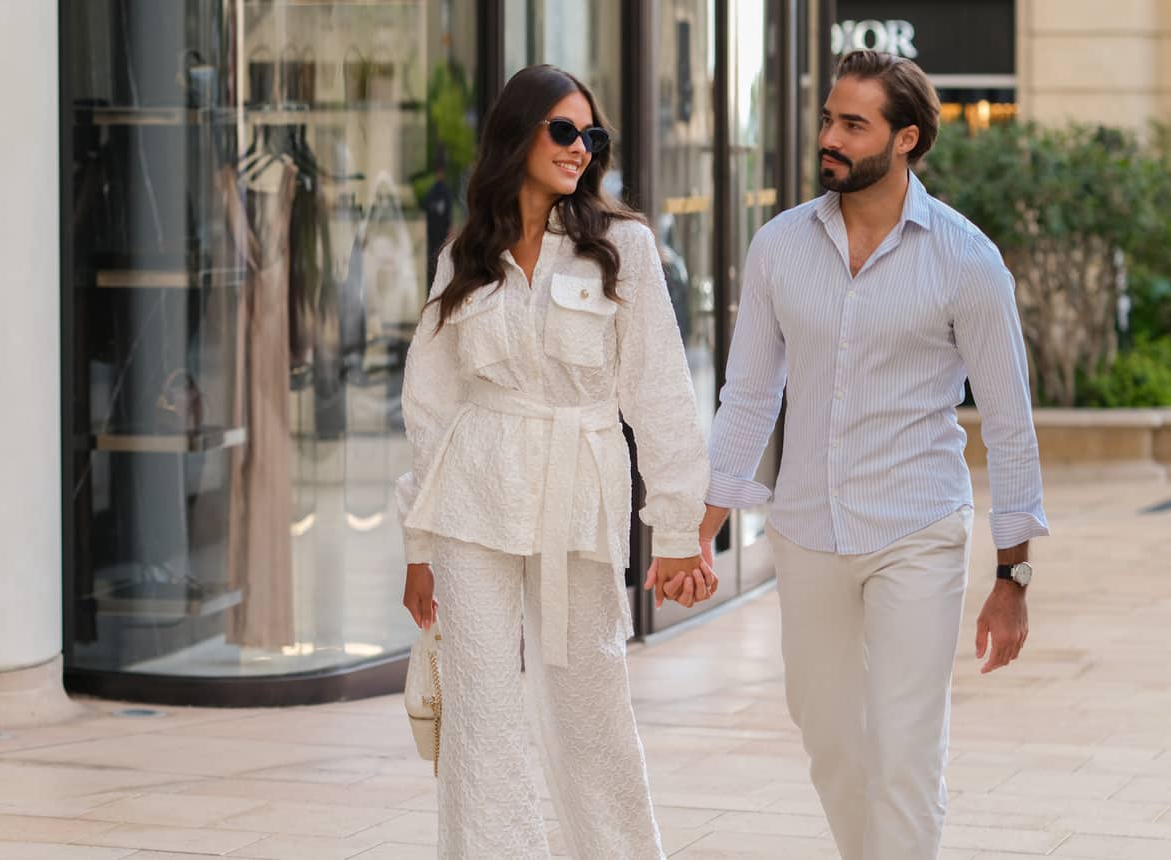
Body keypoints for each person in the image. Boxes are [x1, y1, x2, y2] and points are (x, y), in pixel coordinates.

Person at [677, 50, 1050, 859]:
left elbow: (1011, 424)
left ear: (906, 139)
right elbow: (749, 394)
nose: (830, 139)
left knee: (906, 751)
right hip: (807, 529)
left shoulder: (967, 260)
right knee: (832, 740)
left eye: (854, 124)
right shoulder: (780, 246)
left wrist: (1012, 576)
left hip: (916, 528)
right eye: (827, 120)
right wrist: (702, 523)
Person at [396, 64, 716, 860]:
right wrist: (418, 545)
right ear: (519, 134)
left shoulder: (623, 248)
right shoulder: (467, 252)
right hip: (473, 499)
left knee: (592, 700)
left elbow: (661, 394)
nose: (580, 148)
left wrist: (677, 526)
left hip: (579, 496)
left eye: (591, 135)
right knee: (480, 710)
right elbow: (430, 406)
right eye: (564, 131)